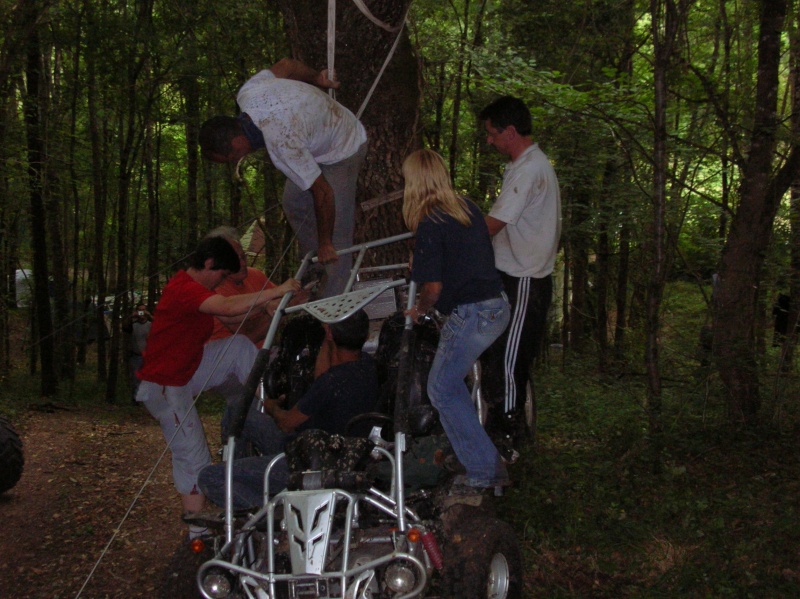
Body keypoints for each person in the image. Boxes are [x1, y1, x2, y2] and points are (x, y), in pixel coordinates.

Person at [135, 235, 300, 537]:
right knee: (193, 455)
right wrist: (275, 290)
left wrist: (270, 303)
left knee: (237, 347)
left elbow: (234, 313)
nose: (220, 281)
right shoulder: (185, 288)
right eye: (221, 275)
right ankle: (198, 530)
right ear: (209, 264)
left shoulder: (193, 288)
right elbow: (225, 307)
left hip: (188, 369)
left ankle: (270, 404)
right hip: (164, 386)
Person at [199, 58, 368, 298]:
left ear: (237, 143)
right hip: (314, 141)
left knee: (337, 238)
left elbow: (324, 193)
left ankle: (333, 306)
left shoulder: (282, 143)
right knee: (294, 201)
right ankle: (317, 264)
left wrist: (326, 242)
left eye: (230, 158)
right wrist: (316, 78)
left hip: (343, 147)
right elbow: (287, 65)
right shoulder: (248, 93)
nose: (235, 162)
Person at [402, 149, 511, 494]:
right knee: (450, 385)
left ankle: (484, 470)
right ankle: (480, 458)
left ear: (414, 183)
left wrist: (419, 309)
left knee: (441, 388)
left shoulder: (429, 222)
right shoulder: (467, 207)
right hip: (496, 305)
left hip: (473, 313)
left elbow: (433, 289)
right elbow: (463, 260)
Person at [197, 309, 378, 510]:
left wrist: (272, 407)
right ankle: (248, 476)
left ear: (329, 334)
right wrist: (329, 340)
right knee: (236, 410)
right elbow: (322, 376)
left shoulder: (332, 382)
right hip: (325, 449)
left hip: (307, 465)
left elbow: (285, 423)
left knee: (209, 477)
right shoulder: (368, 366)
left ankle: (266, 513)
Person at [478, 96, 562, 461]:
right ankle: (497, 431)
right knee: (496, 354)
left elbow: (493, 224)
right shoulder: (523, 166)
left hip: (526, 279)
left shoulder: (530, 169)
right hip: (510, 273)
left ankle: (511, 436)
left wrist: (449, 238)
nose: (489, 141)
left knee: (510, 361)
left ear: (510, 131)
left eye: (492, 134)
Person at [122, 303, 152, 402]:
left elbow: (162, 325)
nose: (141, 313)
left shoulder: (150, 324)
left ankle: (148, 399)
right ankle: (136, 398)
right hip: (136, 355)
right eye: (140, 310)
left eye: (143, 310)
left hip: (149, 356)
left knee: (149, 379)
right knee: (136, 378)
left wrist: (150, 316)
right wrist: (132, 316)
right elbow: (125, 327)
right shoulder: (133, 325)